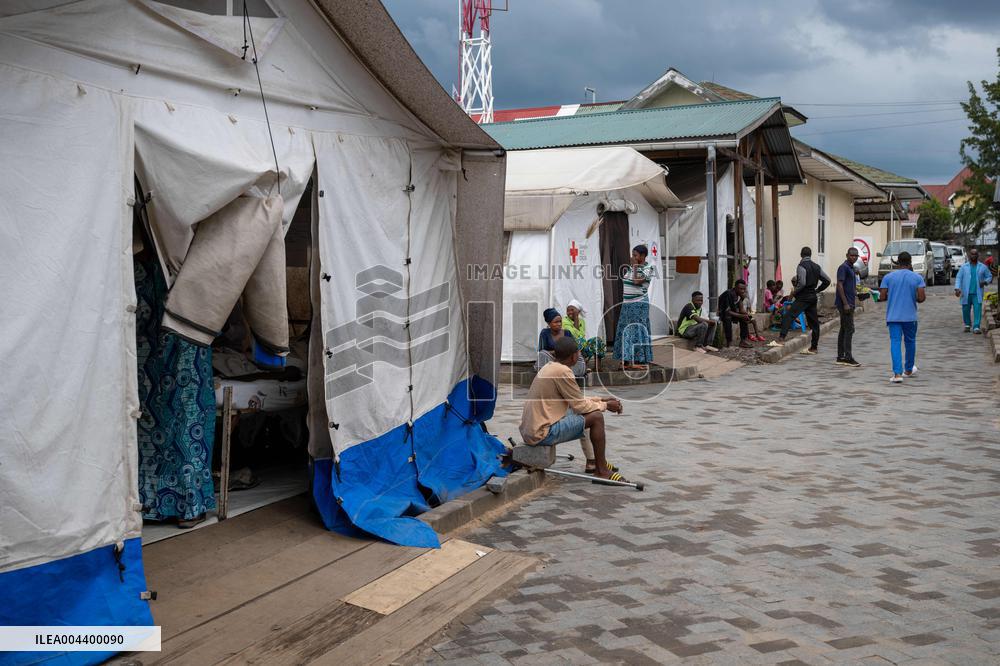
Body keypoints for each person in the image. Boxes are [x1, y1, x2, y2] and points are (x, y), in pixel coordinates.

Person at [520, 337, 631, 482]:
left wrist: (601, 400)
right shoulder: (563, 371)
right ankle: (602, 470)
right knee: (596, 417)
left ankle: (595, 461)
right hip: (541, 433)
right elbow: (580, 405)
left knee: (586, 412)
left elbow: (575, 400)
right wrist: (606, 406)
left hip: (532, 430)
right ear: (574, 356)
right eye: (579, 353)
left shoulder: (551, 366)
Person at [769, 247, 831, 354]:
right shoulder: (817, 267)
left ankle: (781, 339)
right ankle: (814, 348)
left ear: (801, 254)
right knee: (814, 323)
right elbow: (827, 280)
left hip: (803, 296)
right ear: (810, 255)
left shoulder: (801, 266)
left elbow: (802, 282)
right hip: (812, 296)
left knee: (789, 315)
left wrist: (795, 292)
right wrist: (818, 290)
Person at [879, 251, 926, 383]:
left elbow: (882, 297)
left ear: (898, 262)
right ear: (910, 262)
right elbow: (921, 298)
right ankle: (909, 369)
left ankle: (897, 374)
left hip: (893, 316)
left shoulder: (888, 277)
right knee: (910, 342)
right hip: (910, 317)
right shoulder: (917, 278)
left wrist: (892, 295)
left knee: (895, 342)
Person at [613, 245, 654, 370]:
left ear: (643, 256)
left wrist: (635, 266)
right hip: (627, 304)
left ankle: (637, 359)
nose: (633, 257)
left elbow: (636, 281)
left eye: (635, 255)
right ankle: (625, 360)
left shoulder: (648, 268)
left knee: (636, 330)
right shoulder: (631, 268)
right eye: (632, 255)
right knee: (625, 330)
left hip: (639, 304)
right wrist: (634, 266)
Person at [536, 307, 586, 376]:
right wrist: (559, 352)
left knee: (579, 357)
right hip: (552, 359)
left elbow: (575, 348)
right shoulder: (544, 333)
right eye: (556, 322)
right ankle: (553, 373)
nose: (559, 324)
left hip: (567, 360)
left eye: (560, 321)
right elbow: (542, 350)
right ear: (549, 323)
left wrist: (568, 354)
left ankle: (568, 373)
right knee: (543, 354)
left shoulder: (567, 333)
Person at [954, 247, 993, 334]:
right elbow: (959, 278)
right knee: (965, 309)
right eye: (972, 254)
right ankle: (967, 325)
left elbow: (989, 276)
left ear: (978, 255)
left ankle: (976, 327)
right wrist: (957, 288)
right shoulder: (964, 267)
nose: (973, 255)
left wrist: (985, 282)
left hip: (977, 293)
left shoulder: (982, 267)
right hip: (966, 293)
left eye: (975, 254)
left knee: (977, 309)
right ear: (969, 255)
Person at [835, 247, 861, 367]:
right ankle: (848, 357)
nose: (854, 257)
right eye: (852, 255)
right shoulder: (843, 267)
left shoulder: (851, 268)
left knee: (844, 329)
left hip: (850, 302)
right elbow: (839, 285)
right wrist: (845, 303)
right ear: (847, 255)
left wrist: (859, 294)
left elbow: (849, 286)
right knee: (850, 329)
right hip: (845, 304)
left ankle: (841, 356)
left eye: (856, 256)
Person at [718, 280, 752, 348]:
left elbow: (741, 309)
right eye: (741, 289)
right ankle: (729, 342)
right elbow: (727, 311)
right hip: (723, 313)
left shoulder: (739, 295)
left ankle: (743, 341)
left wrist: (747, 315)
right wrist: (741, 315)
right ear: (735, 287)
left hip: (732, 313)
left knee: (744, 318)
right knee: (728, 318)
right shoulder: (728, 294)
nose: (742, 291)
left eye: (744, 289)